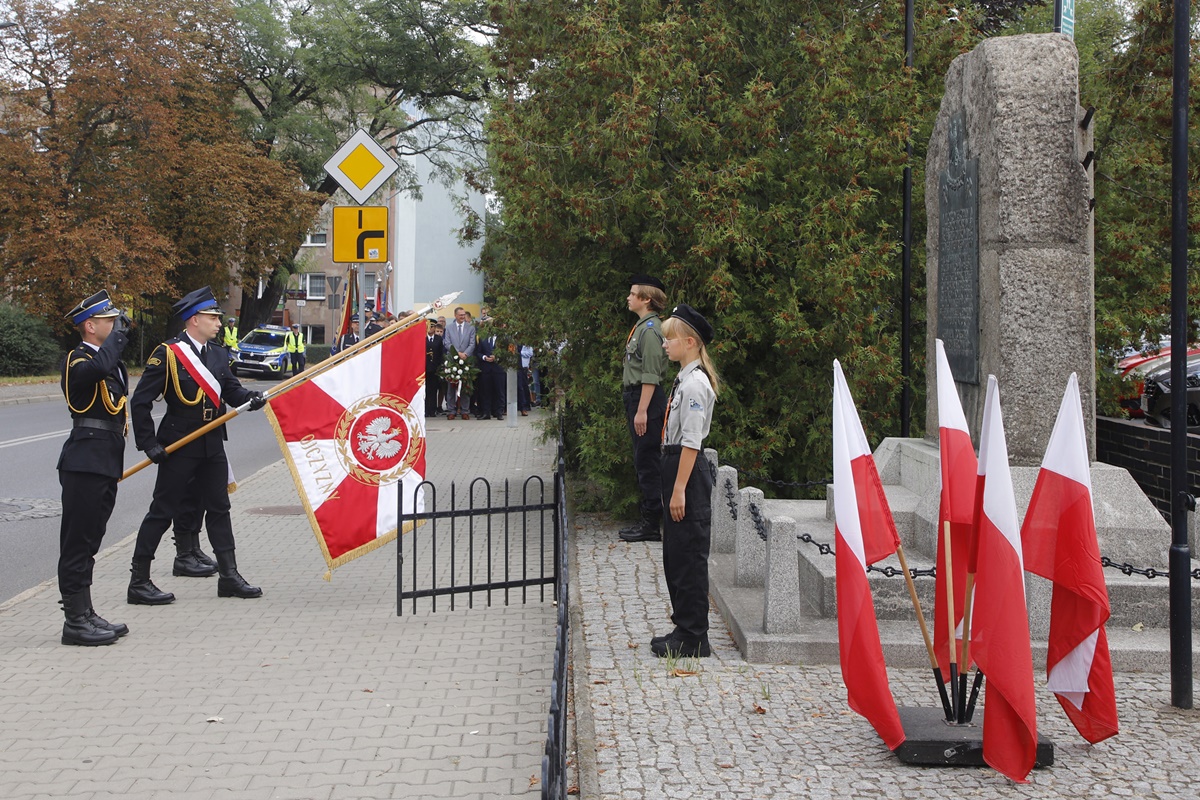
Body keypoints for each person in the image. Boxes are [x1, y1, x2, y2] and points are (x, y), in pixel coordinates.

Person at [127, 286, 266, 605]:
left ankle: (229, 577)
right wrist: (148, 443)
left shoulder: (218, 353)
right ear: (194, 320)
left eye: (218, 317)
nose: (219, 322)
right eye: (212, 317)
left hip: (212, 442)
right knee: (162, 510)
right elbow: (140, 402)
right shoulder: (168, 353)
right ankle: (139, 580)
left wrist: (250, 399)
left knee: (219, 509)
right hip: (179, 442)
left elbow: (231, 390)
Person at [56, 290, 131, 646]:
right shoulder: (77, 360)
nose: (115, 325)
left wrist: (114, 341)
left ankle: (85, 611)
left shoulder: (106, 359)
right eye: (108, 321)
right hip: (84, 461)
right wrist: (116, 339)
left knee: (90, 541)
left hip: (104, 461)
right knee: (77, 542)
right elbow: (98, 370)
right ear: (90, 326)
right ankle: (74, 621)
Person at [651, 304, 719, 658]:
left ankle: (693, 636)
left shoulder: (695, 384)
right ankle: (685, 628)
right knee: (676, 554)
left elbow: (692, 441)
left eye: (670, 338)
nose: (665, 344)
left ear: (689, 342)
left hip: (686, 472)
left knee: (689, 554)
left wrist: (678, 490)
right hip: (676, 465)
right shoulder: (684, 379)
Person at [619, 275, 669, 543]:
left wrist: (641, 410)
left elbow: (651, 375)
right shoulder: (643, 327)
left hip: (645, 399)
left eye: (633, 293)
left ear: (646, 299)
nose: (628, 297)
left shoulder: (650, 330)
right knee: (643, 459)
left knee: (647, 461)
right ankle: (649, 519)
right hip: (638, 397)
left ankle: (652, 524)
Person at [443, 306, 475, 420]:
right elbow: (447, 343)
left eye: (464, 315)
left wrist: (465, 354)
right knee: (451, 386)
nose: (462, 317)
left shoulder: (470, 327)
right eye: (460, 315)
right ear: (455, 315)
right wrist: (457, 353)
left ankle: (465, 410)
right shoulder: (449, 328)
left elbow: (472, 343)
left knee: (465, 386)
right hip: (453, 360)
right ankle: (451, 410)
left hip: (466, 360)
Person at [476, 327, 505, 420]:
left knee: (499, 391)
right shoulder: (483, 338)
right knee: (486, 391)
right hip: (486, 369)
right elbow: (478, 352)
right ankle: (486, 412)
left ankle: (499, 412)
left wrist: (498, 357)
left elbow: (507, 352)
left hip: (498, 368)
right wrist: (484, 357)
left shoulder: (503, 338)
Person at [425, 320, 445, 417]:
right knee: (425, 390)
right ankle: (425, 410)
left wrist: (441, 366)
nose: (430, 329)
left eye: (432, 327)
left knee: (433, 390)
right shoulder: (423, 338)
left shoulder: (438, 339)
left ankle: (432, 410)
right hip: (425, 368)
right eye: (429, 326)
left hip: (435, 368)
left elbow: (441, 353)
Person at [518, 344, 534, 416]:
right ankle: (520, 406)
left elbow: (530, 353)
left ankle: (525, 406)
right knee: (519, 386)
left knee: (523, 387)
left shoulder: (526, 343)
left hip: (523, 367)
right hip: (515, 367)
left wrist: (519, 353)